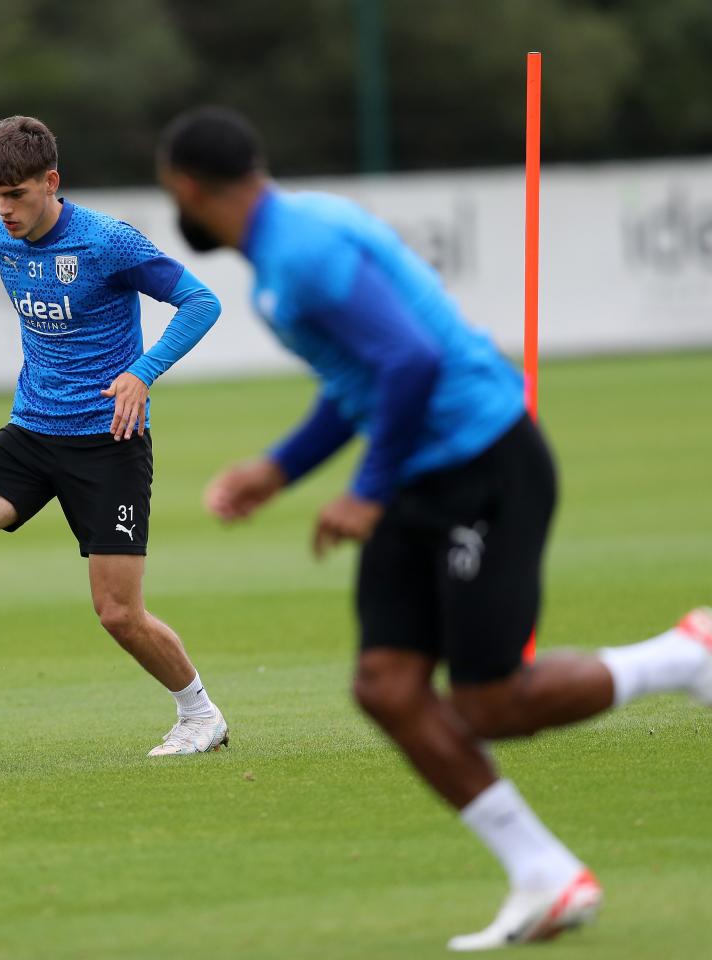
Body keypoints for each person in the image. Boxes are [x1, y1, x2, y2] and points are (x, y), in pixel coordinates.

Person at [157, 106, 712, 949]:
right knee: (386, 686)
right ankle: (545, 876)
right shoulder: (287, 246)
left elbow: (411, 360)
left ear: (187, 188)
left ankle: (683, 657)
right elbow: (362, 380)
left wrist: (366, 491)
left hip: (481, 462)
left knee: (490, 701)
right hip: (422, 476)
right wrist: (279, 469)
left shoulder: (301, 251)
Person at [0, 115, 228, 756]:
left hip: (108, 443)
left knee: (118, 613)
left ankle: (201, 715)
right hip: (31, 433)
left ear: (51, 182)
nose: (4, 210)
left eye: (17, 194)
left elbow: (201, 302)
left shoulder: (107, 242)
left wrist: (142, 373)